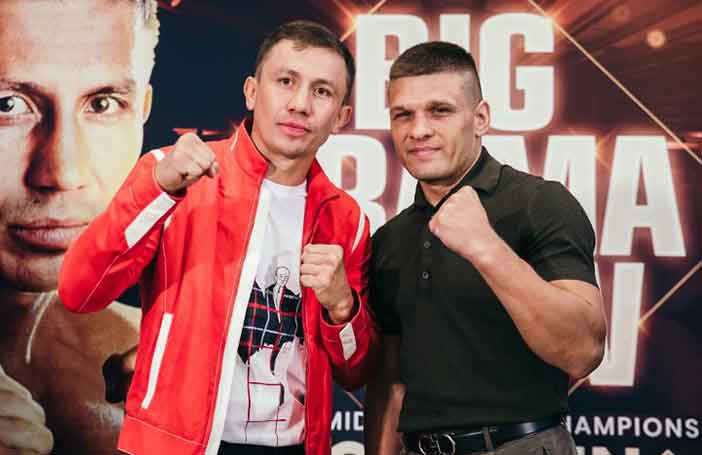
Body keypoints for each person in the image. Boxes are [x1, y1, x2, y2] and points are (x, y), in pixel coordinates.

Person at [59, 20, 378, 455]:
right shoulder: (172, 172)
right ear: (251, 92)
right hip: (173, 445)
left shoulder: (347, 219)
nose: (300, 104)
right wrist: (160, 190)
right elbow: (80, 290)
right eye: (286, 81)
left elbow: (355, 372)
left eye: (322, 91)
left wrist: (343, 304)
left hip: (292, 446)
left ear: (340, 117)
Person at [365, 41, 607, 455]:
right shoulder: (390, 240)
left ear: (480, 118)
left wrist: (485, 248)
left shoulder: (540, 204)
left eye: (440, 110)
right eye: (403, 114)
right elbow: (392, 383)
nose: (418, 129)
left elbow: (582, 351)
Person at [0, 0, 158, 453]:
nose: (64, 172)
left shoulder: (154, 354)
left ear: (142, 111)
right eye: (8, 104)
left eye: (103, 103)